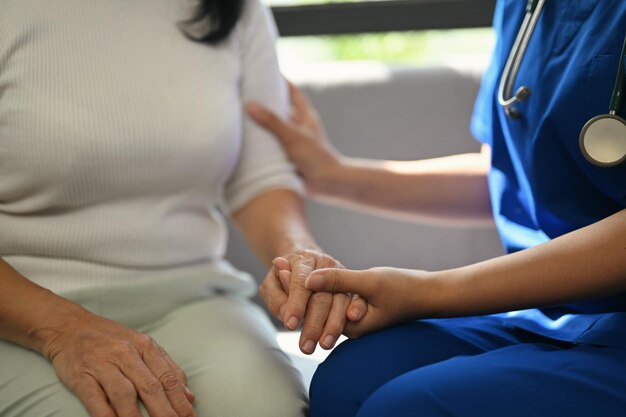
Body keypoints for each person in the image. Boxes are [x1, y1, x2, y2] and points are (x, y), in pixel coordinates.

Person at [248, 0, 626, 416]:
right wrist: (334, 176)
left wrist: (428, 292)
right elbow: (515, 177)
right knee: (348, 381)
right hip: (549, 313)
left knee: (404, 409)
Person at [0, 0, 356, 416]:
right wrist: (63, 329)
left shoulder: (237, 9)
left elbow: (260, 179)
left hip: (194, 297)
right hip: (19, 310)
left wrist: (299, 254)